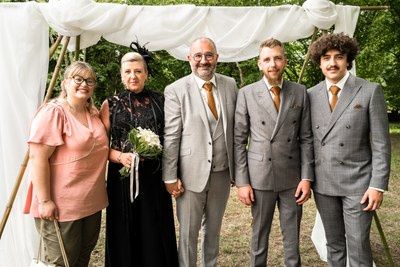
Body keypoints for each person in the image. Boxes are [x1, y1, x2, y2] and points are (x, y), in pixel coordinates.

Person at [308, 33, 391, 266]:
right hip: (323, 184)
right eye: (326, 58)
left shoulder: (369, 90)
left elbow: (381, 144)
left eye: (339, 57)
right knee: (333, 244)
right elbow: (307, 141)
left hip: (359, 184)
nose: (332, 63)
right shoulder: (310, 94)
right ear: (320, 62)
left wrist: (377, 185)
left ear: (348, 60)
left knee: (358, 245)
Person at [234, 38, 314, 267]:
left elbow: (307, 138)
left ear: (285, 61)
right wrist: (242, 182)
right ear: (259, 64)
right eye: (267, 59)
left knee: (292, 238)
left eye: (277, 58)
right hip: (260, 177)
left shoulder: (299, 92)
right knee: (259, 237)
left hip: (292, 178)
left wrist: (306, 178)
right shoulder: (247, 93)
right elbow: (239, 140)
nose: (273, 64)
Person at [24, 61, 109, 266]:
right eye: (77, 79)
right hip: (61, 206)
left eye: (89, 80)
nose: (84, 84)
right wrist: (45, 201)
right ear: (65, 83)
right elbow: (38, 157)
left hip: (91, 203)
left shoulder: (92, 113)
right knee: (61, 262)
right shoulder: (54, 112)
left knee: (82, 258)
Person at [163, 37, 237, 267]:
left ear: (216, 58)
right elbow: (172, 135)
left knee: (213, 230)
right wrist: (169, 176)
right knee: (188, 233)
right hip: (190, 175)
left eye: (208, 55)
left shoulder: (230, 84)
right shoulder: (176, 90)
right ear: (189, 59)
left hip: (222, 173)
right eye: (198, 56)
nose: (203, 61)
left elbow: (237, 129)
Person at [100, 49, 178, 267]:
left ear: (146, 73)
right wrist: (120, 157)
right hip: (121, 178)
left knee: (154, 229)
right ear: (121, 75)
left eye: (138, 71)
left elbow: (171, 138)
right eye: (128, 71)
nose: (133, 76)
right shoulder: (110, 104)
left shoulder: (161, 101)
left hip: (154, 177)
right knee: (123, 230)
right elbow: (100, 146)